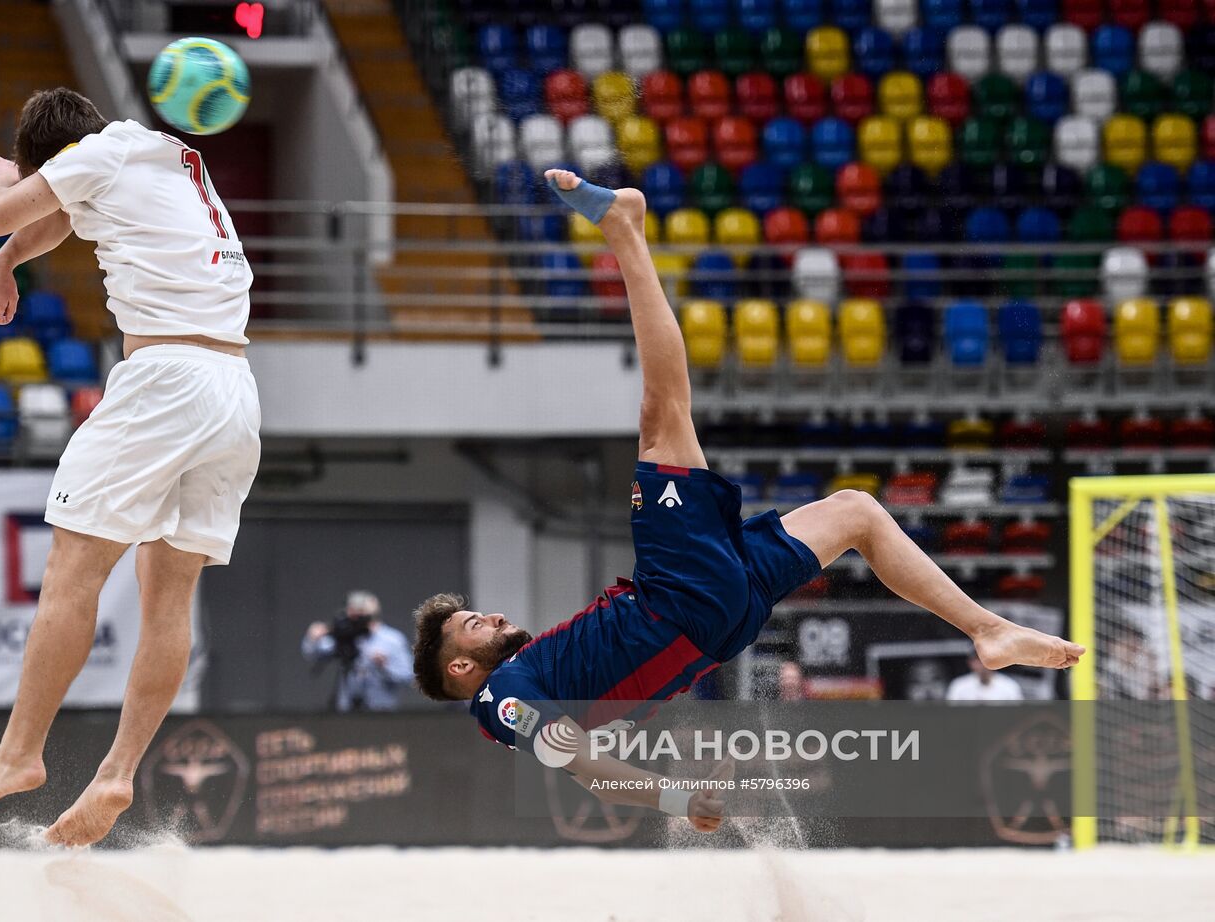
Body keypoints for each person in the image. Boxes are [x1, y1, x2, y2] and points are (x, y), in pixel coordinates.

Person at [410, 169, 1085, 833]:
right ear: (462, 667)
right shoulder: (501, 701)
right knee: (662, 412)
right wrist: (674, 801)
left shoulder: (524, 678)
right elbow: (584, 764)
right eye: (473, 624)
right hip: (675, 602)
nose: (490, 615)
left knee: (856, 511)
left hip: (715, 620)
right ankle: (623, 229)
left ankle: (988, 631)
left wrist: (681, 805)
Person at [0, 88, 260, 847]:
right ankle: (117, 772)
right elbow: (49, 222)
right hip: (237, 393)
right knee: (167, 592)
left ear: (47, 158)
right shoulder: (162, 156)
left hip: (165, 382)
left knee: (73, 569)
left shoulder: (98, 154)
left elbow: (4, 212)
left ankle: (20, 753)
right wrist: (8, 258)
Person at [301, 591, 415, 712]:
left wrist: (385, 667)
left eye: (361, 612)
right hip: (346, 710)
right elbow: (315, 653)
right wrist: (313, 638)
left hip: (381, 711)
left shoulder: (392, 639)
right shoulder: (345, 636)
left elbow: (408, 676)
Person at [946, 654, 1025, 702]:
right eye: (978, 660)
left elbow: (1017, 715)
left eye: (985, 658)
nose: (982, 663)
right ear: (970, 662)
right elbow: (950, 715)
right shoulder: (959, 686)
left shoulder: (1009, 686)